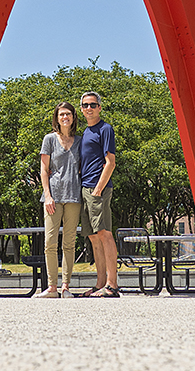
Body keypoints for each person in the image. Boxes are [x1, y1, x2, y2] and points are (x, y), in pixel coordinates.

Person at [36, 102, 82, 298]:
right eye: (62, 114)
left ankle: (65, 287)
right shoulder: (49, 139)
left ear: (73, 117)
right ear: (57, 117)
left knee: (69, 243)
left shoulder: (80, 140)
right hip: (53, 196)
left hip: (74, 197)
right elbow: (44, 170)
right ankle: (52, 287)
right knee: (50, 242)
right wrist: (47, 195)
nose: (65, 117)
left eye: (68, 114)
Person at [77, 90, 119, 297]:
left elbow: (110, 162)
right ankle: (100, 283)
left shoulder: (105, 129)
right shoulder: (84, 132)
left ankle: (112, 285)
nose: (89, 108)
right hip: (84, 188)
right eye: (85, 105)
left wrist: (98, 189)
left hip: (98, 188)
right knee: (93, 237)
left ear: (100, 107)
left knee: (105, 234)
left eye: (93, 105)